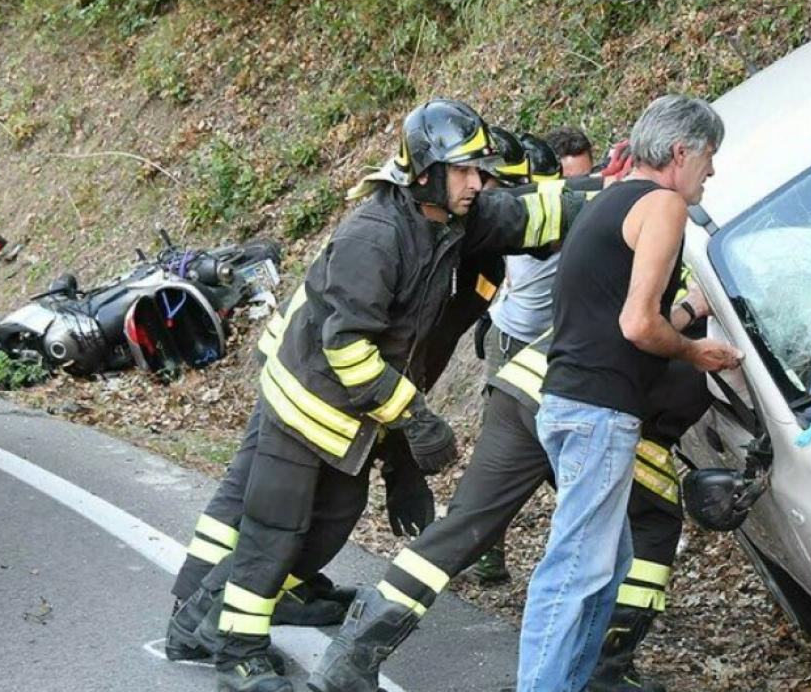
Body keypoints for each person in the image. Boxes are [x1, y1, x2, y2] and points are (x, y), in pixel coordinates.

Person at [165, 99, 592, 692]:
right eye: (467, 171)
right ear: (425, 172)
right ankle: (235, 648)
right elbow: (348, 350)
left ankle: (204, 618)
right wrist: (416, 424)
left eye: (483, 171)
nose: (479, 184)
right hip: (306, 402)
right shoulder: (376, 234)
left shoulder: (453, 222)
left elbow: (536, 213)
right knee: (275, 526)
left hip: (357, 416)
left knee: (331, 523)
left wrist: (631, 197)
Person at [309, 329, 707, 692]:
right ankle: (605, 669)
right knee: (654, 520)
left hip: (526, 383)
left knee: (465, 527)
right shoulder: (727, 307)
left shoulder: (678, 268)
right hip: (588, 407)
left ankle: (349, 658)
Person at [518, 95, 740, 691]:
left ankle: (573, 681)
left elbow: (624, 306)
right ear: (680, 152)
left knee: (607, 566)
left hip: (569, 402)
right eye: (709, 157)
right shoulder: (662, 204)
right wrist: (696, 351)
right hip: (597, 411)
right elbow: (639, 324)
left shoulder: (612, 200)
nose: (711, 173)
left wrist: (691, 311)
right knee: (573, 572)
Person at [459, 127, 598, 586]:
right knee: (498, 455)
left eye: (581, 175)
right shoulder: (526, 217)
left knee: (569, 450)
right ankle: (485, 556)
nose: (569, 186)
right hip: (513, 340)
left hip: (559, 341)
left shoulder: (552, 202)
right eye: (565, 178)